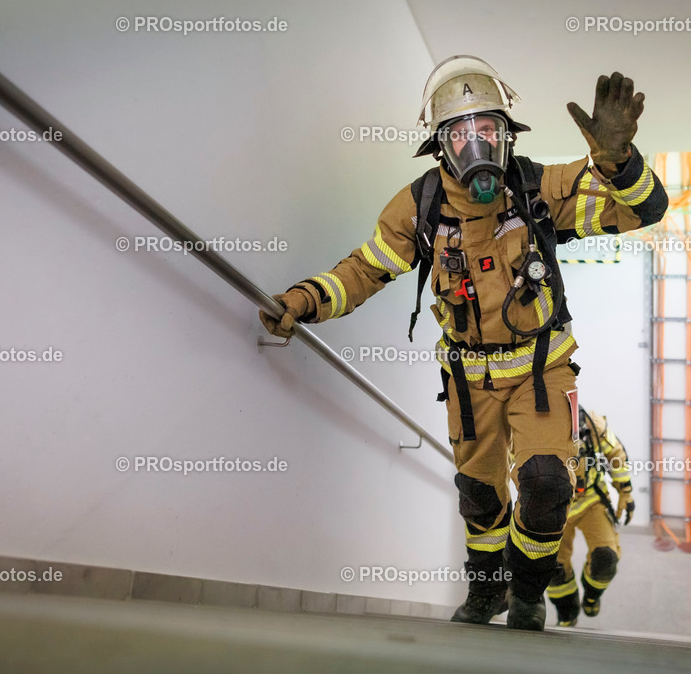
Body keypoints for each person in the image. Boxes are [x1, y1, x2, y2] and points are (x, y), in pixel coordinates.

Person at [260, 56, 666, 631]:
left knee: (548, 484)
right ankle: (486, 592)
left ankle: (527, 592)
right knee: (478, 496)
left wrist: (618, 161)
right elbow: (364, 269)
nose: (477, 144)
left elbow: (644, 209)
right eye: (460, 132)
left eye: (488, 130)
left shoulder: (539, 189)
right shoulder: (420, 207)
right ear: (439, 144)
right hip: (469, 382)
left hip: (541, 375)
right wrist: (304, 300)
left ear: (507, 136)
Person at [547, 407, 634, 626]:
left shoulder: (592, 424)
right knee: (552, 568)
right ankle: (567, 612)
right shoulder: (528, 424)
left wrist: (625, 493)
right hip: (551, 505)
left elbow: (616, 454)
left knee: (605, 559)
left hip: (591, 500)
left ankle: (592, 595)